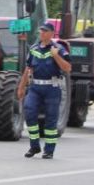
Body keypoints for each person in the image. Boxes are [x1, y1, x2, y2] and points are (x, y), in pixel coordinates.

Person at [18, 22, 72, 159]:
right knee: (29, 112)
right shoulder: (34, 48)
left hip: (52, 88)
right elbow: (28, 69)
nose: (42, 33)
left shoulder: (59, 49)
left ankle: (49, 150)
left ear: (52, 34)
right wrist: (21, 87)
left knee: (50, 120)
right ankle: (34, 146)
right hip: (35, 87)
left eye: (45, 31)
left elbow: (67, 68)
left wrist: (56, 56)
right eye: (41, 31)